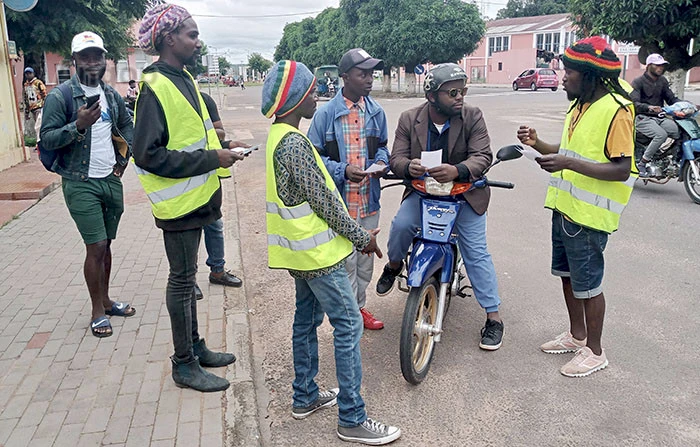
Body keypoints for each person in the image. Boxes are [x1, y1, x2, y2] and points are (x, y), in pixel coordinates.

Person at [262, 60, 401, 445]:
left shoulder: (280, 136)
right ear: (293, 98)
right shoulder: (293, 143)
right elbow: (325, 202)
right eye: (308, 90)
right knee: (348, 325)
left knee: (305, 321)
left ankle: (304, 396)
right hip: (318, 257)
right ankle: (352, 419)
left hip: (300, 254)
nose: (315, 94)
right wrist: (362, 238)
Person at [133, 3, 243, 392]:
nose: (198, 42)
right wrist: (213, 157)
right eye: (191, 35)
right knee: (181, 282)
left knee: (187, 278)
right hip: (178, 205)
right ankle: (183, 364)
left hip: (198, 199)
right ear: (168, 39)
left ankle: (195, 348)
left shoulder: (184, 79)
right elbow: (147, 154)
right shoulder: (154, 87)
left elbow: (194, 136)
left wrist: (226, 146)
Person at [516, 36, 636, 377]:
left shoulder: (617, 110)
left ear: (590, 75)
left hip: (590, 216)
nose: (563, 77)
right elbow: (569, 150)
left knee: (589, 284)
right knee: (568, 278)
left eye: (568, 72)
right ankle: (576, 335)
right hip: (565, 209)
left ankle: (595, 351)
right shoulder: (580, 104)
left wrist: (567, 164)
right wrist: (537, 143)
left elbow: (621, 168)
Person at [376, 63, 505, 351]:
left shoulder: (472, 116)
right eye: (453, 92)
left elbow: (483, 155)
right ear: (432, 96)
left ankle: (493, 317)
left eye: (463, 91)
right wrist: (408, 166)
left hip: (464, 195)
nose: (460, 97)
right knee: (401, 226)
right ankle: (394, 265)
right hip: (423, 194)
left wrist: (458, 170)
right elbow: (396, 158)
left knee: (476, 251)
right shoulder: (410, 119)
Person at [40, 31, 134, 338]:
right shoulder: (60, 96)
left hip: (110, 178)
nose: (93, 62)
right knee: (95, 246)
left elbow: (127, 128)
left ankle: (106, 301)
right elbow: (47, 139)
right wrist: (78, 125)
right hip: (80, 182)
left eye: (98, 56)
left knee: (106, 245)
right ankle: (96, 311)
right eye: (85, 56)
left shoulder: (111, 94)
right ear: (75, 60)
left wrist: (126, 161)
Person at [308, 48, 388, 330]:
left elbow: (383, 148)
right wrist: (343, 171)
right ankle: (347, 314)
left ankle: (359, 308)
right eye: (362, 73)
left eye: (371, 74)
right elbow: (313, 159)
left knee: (365, 260)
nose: (369, 79)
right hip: (339, 204)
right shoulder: (326, 115)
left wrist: (380, 162)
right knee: (344, 262)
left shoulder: (376, 112)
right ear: (345, 77)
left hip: (368, 201)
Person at [192, 91, 250, 300]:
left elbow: (219, 133)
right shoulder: (172, 104)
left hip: (210, 176)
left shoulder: (205, 100)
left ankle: (218, 270)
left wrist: (227, 144)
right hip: (186, 179)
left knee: (215, 226)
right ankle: (189, 281)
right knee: (191, 232)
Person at [631, 53, 681, 176]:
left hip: (659, 118)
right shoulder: (638, 82)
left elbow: (671, 99)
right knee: (661, 134)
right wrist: (649, 107)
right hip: (642, 118)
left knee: (680, 131)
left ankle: (671, 158)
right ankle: (642, 163)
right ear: (649, 66)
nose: (660, 68)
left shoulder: (662, 81)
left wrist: (685, 105)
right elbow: (634, 103)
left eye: (662, 66)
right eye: (657, 65)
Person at [23, 66, 47, 141]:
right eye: (26, 74)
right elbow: (26, 99)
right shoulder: (26, 85)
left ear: (33, 73)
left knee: (39, 125)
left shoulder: (38, 83)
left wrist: (45, 105)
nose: (28, 75)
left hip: (39, 107)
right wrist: (26, 112)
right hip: (32, 108)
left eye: (30, 73)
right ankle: (39, 141)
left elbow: (44, 94)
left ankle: (41, 141)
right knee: (36, 126)